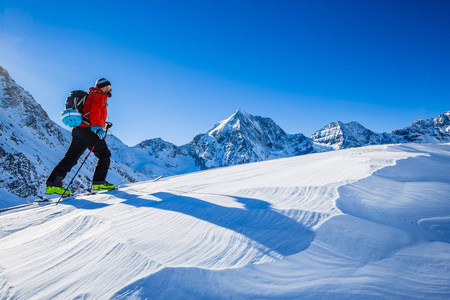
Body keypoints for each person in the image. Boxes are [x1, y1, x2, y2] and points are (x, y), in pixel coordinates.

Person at [45, 78, 115, 195]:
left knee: (70, 158)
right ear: (103, 87)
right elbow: (95, 110)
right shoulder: (99, 95)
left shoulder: (90, 95)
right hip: (89, 131)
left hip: (79, 130)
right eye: (109, 87)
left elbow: (88, 112)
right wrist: (97, 128)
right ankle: (99, 183)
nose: (110, 89)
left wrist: (104, 124)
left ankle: (52, 185)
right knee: (104, 154)